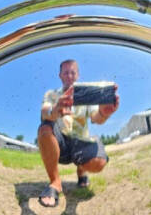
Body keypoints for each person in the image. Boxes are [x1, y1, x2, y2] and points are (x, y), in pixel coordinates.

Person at [37, 59, 119, 208]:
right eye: (66, 72)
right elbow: (45, 111)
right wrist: (55, 110)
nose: (69, 75)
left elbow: (96, 118)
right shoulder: (51, 94)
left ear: (78, 75)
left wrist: (104, 113)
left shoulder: (87, 95)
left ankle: (81, 170)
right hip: (60, 142)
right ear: (60, 75)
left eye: (73, 72)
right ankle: (55, 182)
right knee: (44, 128)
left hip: (81, 142)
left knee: (99, 163)